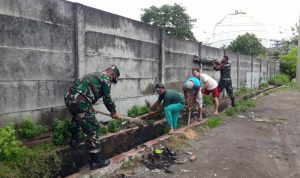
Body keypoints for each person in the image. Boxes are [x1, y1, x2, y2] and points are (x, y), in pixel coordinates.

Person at [64, 65, 120, 170]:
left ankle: (74, 140)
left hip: (69, 98)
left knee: (77, 117)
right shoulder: (106, 79)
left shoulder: (95, 74)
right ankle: (96, 161)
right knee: (92, 128)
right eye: (113, 80)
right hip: (81, 101)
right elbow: (107, 99)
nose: (111, 82)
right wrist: (113, 112)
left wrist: (89, 105)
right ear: (112, 74)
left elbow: (84, 90)